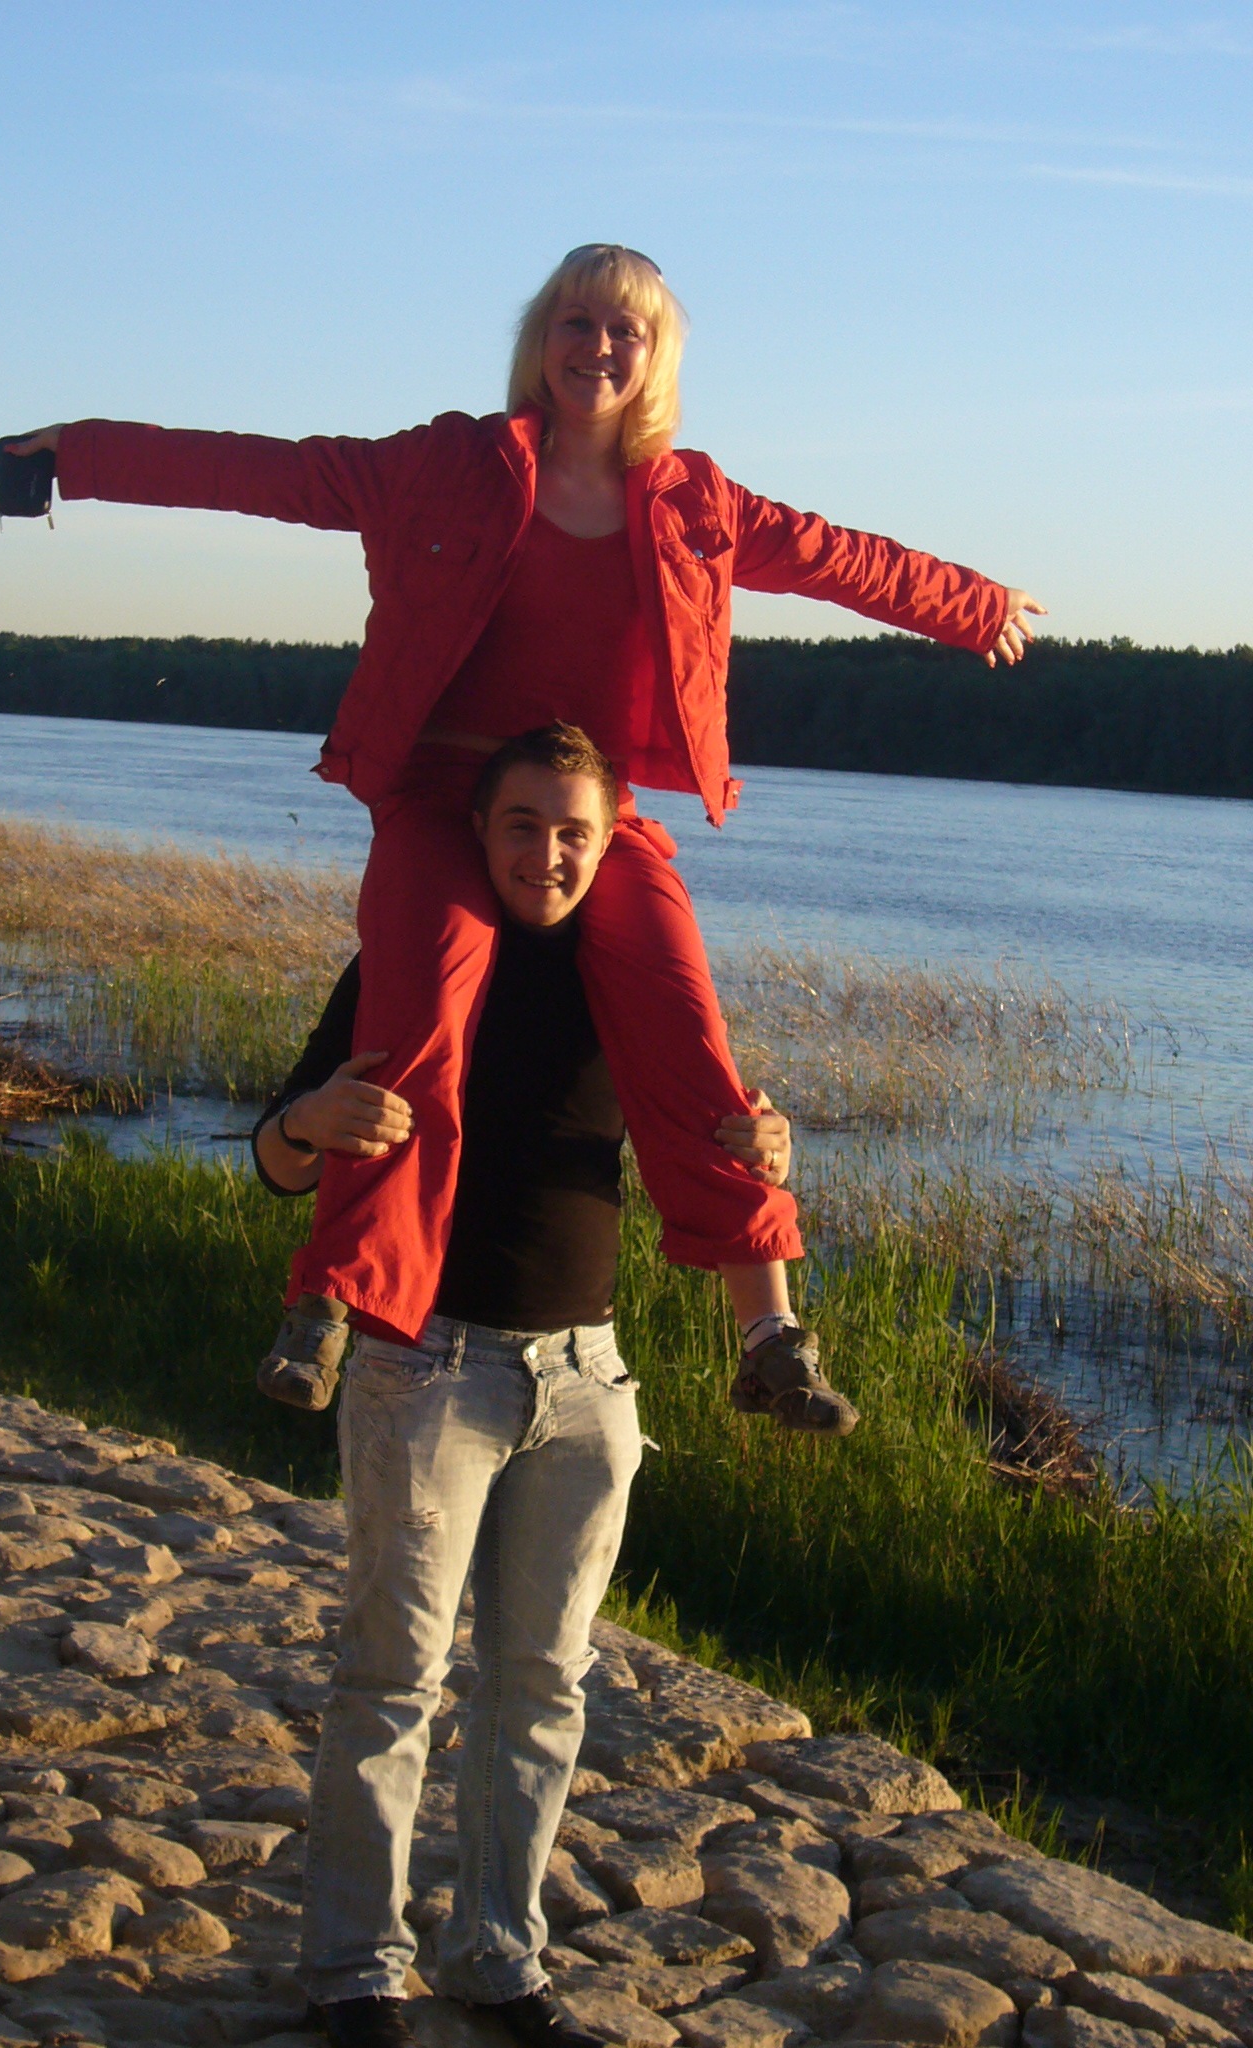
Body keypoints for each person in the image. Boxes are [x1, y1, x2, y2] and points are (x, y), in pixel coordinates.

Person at [3, 242, 1042, 1420]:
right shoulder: (448, 464)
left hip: (592, 811)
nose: (597, 347)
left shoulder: (697, 503)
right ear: (540, 340)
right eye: (575, 321)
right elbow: (265, 472)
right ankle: (333, 1296)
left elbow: (834, 555)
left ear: (657, 357)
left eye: (625, 330)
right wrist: (75, 453)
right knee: (418, 1009)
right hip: (444, 795)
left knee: (683, 1014)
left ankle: (769, 1330)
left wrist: (975, 606)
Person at [253, 725, 794, 2048]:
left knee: (544, 1686)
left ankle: (497, 1956)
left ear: (610, 841)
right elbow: (274, 1153)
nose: (547, 852)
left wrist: (766, 1144)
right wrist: (307, 1124)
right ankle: (353, 1971)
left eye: (573, 831)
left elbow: (715, 1141)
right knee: (393, 1679)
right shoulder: (412, 959)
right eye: (522, 824)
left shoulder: (630, 977)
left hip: (586, 1379)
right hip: (424, 1368)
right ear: (478, 827)